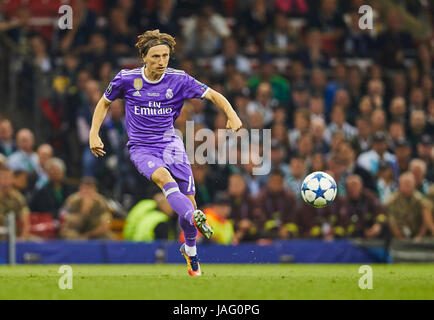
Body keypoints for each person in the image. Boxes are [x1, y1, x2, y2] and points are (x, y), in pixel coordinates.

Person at [88, 30, 242, 277]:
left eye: (166, 55)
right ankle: (195, 216)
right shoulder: (126, 79)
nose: (162, 61)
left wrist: (232, 114)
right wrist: (94, 133)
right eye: (156, 56)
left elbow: (213, 94)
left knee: (188, 205)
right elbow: (104, 102)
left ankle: (190, 250)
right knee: (163, 180)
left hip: (171, 145)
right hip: (141, 147)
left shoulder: (178, 79)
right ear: (144, 57)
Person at [386, 172, 434, 240]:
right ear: (400, 185)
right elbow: (391, 221)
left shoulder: (420, 200)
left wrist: (420, 235)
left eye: (409, 184)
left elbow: (427, 219)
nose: (407, 187)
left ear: (414, 185)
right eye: (405, 184)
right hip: (398, 238)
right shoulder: (392, 201)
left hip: (418, 237)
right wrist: (400, 237)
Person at [0, 166, 30, 240]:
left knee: (39, 243)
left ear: (13, 179)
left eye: (9, 177)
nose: (6, 181)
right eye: (3, 177)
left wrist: (22, 238)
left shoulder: (18, 198)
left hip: (14, 237)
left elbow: (26, 221)